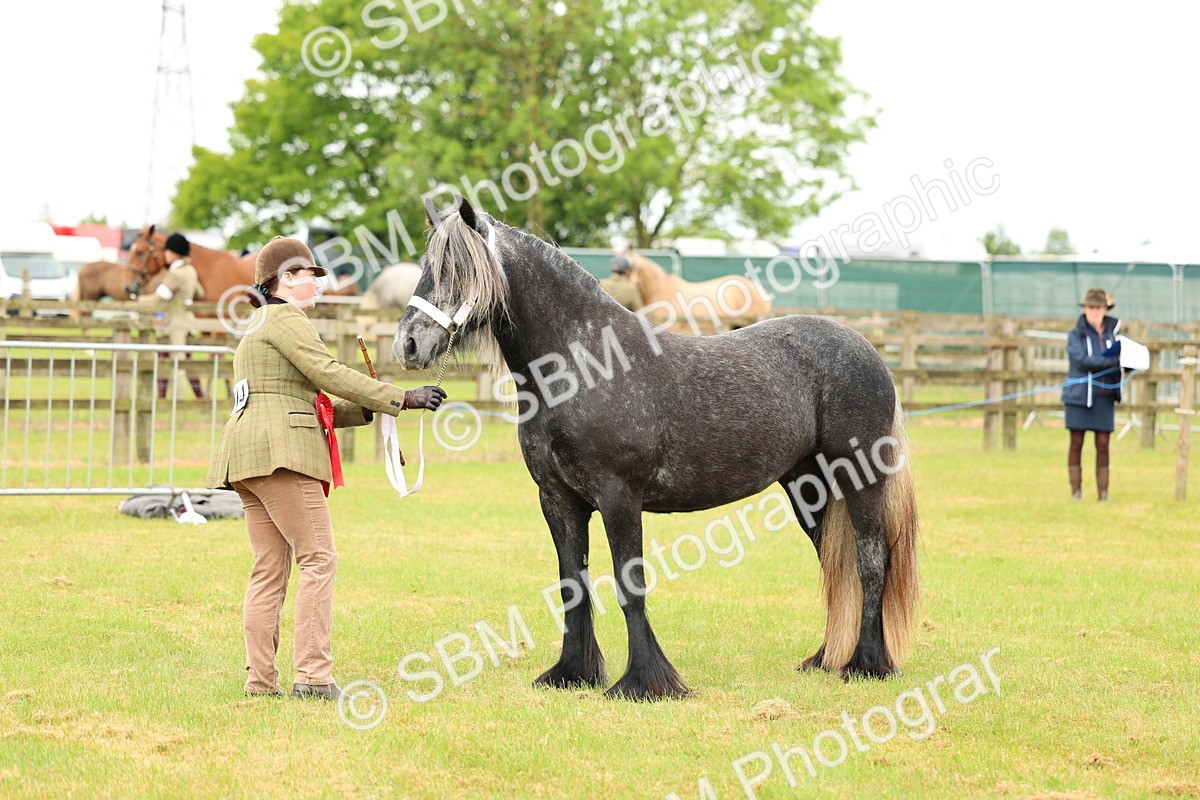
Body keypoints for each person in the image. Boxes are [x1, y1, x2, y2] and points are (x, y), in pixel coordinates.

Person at [204, 236, 446, 699]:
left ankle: (260, 681)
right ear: (285, 279)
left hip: (249, 456)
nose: (318, 285)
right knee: (319, 558)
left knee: (269, 570)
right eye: (311, 276)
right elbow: (329, 373)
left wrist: (367, 410)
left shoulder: (256, 326)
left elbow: (300, 399)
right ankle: (313, 678)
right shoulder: (287, 319)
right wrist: (401, 397)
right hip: (281, 454)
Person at [1062, 288, 1123, 501]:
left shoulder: (1113, 335)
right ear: (1085, 309)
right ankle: (1076, 491)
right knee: (1077, 441)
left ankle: (1103, 493)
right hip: (1079, 396)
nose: (1094, 312)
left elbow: (1121, 362)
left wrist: (1127, 364)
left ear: (1105, 309)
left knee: (1103, 444)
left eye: (1098, 308)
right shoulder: (1075, 335)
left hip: (1104, 396)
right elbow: (1083, 360)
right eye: (1090, 307)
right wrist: (1114, 362)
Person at [139, 232, 206, 398]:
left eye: (167, 251)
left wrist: (137, 299)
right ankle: (200, 397)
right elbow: (200, 292)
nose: (165, 255)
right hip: (189, 324)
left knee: (167, 362)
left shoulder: (175, 274)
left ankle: (168, 399)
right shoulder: (191, 271)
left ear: (173, 253)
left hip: (173, 325)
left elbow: (158, 299)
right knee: (186, 363)